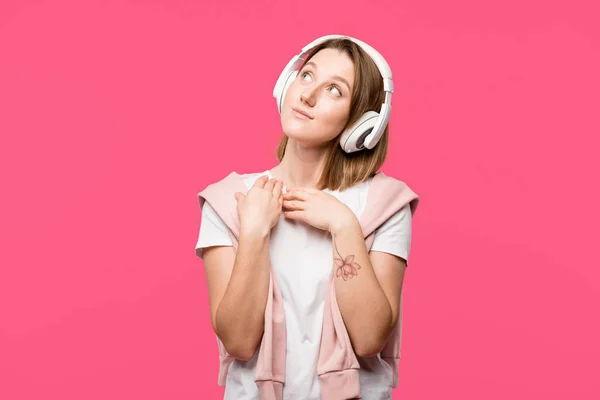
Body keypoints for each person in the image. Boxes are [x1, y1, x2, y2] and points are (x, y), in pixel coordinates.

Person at [195, 35, 420, 399]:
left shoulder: (384, 204)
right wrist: (253, 233)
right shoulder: (228, 201)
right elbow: (238, 342)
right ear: (287, 83)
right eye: (306, 76)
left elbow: (368, 339)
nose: (308, 95)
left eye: (334, 90)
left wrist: (344, 225)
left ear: (364, 123)